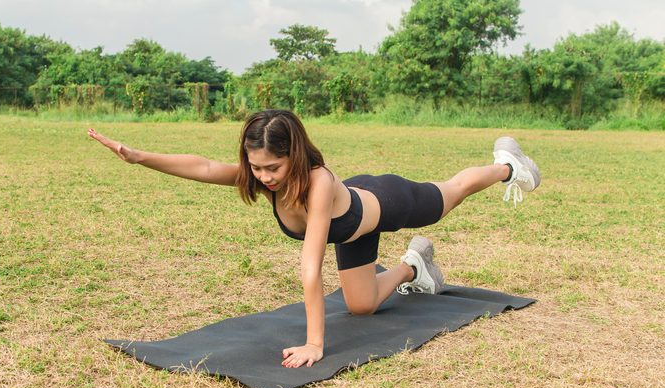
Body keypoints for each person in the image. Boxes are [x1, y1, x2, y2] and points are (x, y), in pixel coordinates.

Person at [88, 109, 540, 369]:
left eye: (273, 168)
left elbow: (310, 269)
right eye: (257, 167)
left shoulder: (318, 182)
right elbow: (204, 167)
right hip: (353, 227)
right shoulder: (260, 175)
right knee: (361, 305)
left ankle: (507, 165)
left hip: (384, 200)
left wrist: (316, 344)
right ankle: (413, 266)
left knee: (447, 195)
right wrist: (139, 157)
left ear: (295, 156)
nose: (263, 178)